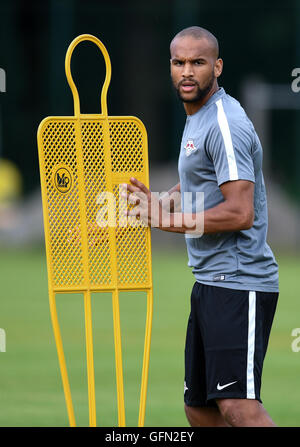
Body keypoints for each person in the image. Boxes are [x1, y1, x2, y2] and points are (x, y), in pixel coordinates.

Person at [122, 26, 279, 427]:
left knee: (239, 407)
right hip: (211, 281)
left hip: (240, 281)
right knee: (200, 409)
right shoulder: (199, 118)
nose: (187, 71)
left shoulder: (224, 123)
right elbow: (203, 181)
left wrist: (164, 219)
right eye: (179, 63)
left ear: (217, 67)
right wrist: (163, 199)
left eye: (198, 62)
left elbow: (239, 212)